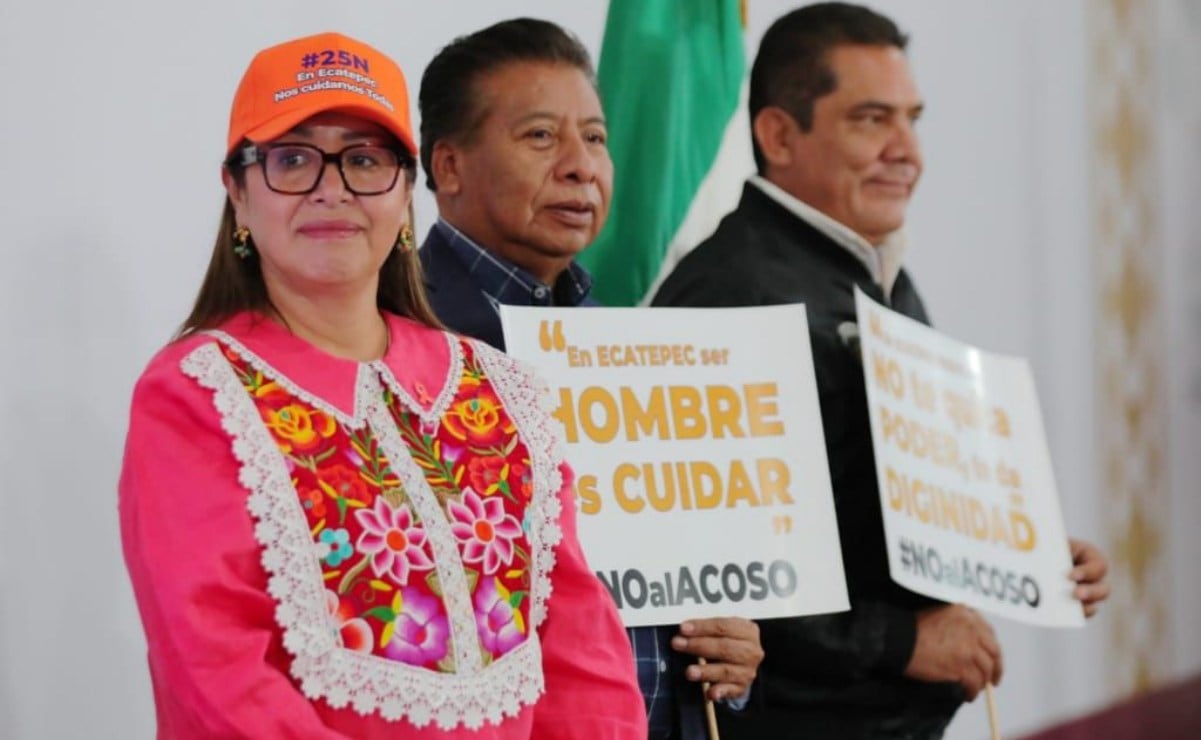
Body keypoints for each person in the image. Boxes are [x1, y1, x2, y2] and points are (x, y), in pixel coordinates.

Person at [118, 31, 646, 739]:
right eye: (293, 159)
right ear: (238, 194)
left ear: (404, 191)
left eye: (364, 160)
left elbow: (583, 649)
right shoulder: (197, 392)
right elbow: (215, 667)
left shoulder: (498, 388)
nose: (331, 188)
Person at [652, 4, 1112, 738]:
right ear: (777, 134)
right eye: (871, 119)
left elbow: (882, 505)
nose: (908, 151)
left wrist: (1024, 557)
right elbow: (708, 570)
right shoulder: (731, 295)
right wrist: (902, 641)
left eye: (912, 118)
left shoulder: (873, 272)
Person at [416, 18, 764, 740]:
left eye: (597, 137)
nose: (582, 166)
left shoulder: (626, 340)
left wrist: (724, 648)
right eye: (541, 137)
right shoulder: (402, 343)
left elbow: (672, 564)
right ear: (448, 167)